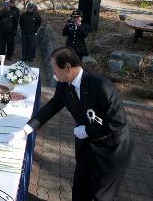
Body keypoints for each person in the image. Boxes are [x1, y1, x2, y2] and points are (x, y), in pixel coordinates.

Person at [13, 46, 133, 201]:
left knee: (100, 196)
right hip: (87, 148)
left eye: (55, 70)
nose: (54, 75)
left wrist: (88, 130)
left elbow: (118, 124)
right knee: (79, 190)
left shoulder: (102, 86)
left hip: (111, 151)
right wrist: (26, 129)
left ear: (68, 67)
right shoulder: (64, 84)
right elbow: (53, 105)